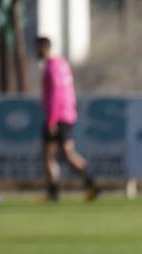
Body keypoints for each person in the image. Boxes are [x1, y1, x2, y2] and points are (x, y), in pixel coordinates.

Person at [37, 36, 98, 202]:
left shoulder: (51, 67)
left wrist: (52, 119)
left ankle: (54, 192)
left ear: (43, 48)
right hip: (67, 115)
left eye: (37, 48)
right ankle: (90, 183)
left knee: (50, 155)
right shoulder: (62, 64)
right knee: (66, 154)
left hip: (57, 117)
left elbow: (56, 94)